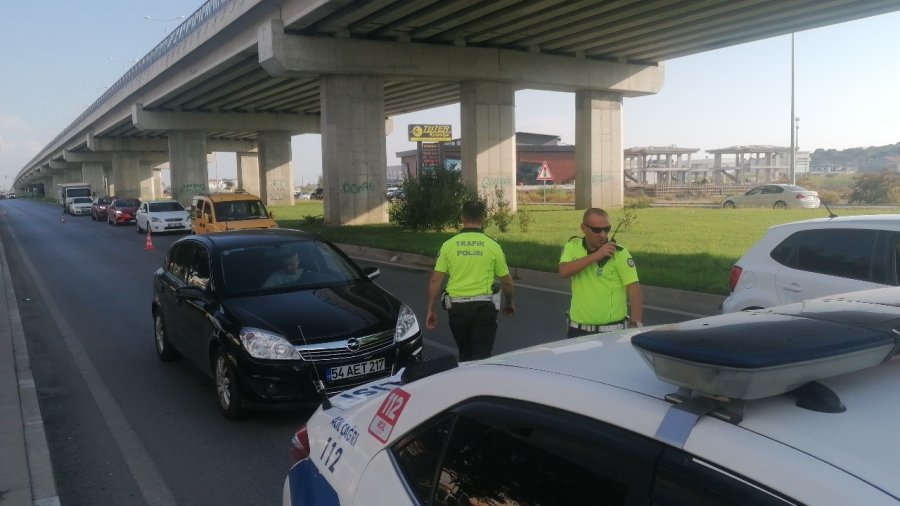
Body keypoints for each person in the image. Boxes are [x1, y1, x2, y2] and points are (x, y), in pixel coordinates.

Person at [426, 200, 516, 361]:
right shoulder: (493, 246)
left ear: (462, 218)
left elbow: (435, 280)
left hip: (457, 309)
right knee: (482, 356)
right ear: (483, 218)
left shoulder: (448, 245)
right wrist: (509, 303)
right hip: (483, 309)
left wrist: (431, 309)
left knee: (465, 354)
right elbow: (507, 281)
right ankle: (479, 385)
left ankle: (465, 383)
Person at [559, 208, 643, 338]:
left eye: (607, 229)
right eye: (597, 230)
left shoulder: (619, 253)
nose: (603, 235)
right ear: (583, 228)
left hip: (612, 332)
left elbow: (634, 289)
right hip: (578, 330)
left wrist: (635, 324)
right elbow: (564, 271)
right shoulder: (572, 247)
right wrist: (596, 256)